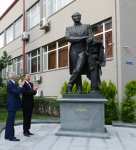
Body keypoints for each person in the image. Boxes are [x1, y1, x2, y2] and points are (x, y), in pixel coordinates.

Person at [65, 12, 94, 94]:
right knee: (76, 70)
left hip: (83, 50)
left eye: (79, 15)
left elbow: (91, 37)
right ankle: (79, 90)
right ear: (72, 18)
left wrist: (88, 39)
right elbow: (68, 38)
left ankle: (70, 84)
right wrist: (84, 38)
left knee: (78, 69)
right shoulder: (69, 28)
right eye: (75, 16)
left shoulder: (87, 26)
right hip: (73, 51)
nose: (77, 17)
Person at [5, 72, 24, 141]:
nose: (17, 76)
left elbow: (17, 91)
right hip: (12, 105)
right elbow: (17, 92)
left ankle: (7, 135)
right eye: (16, 75)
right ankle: (11, 137)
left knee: (9, 121)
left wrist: (19, 86)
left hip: (12, 105)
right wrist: (20, 85)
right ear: (13, 76)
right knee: (11, 122)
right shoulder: (10, 84)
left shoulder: (12, 83)